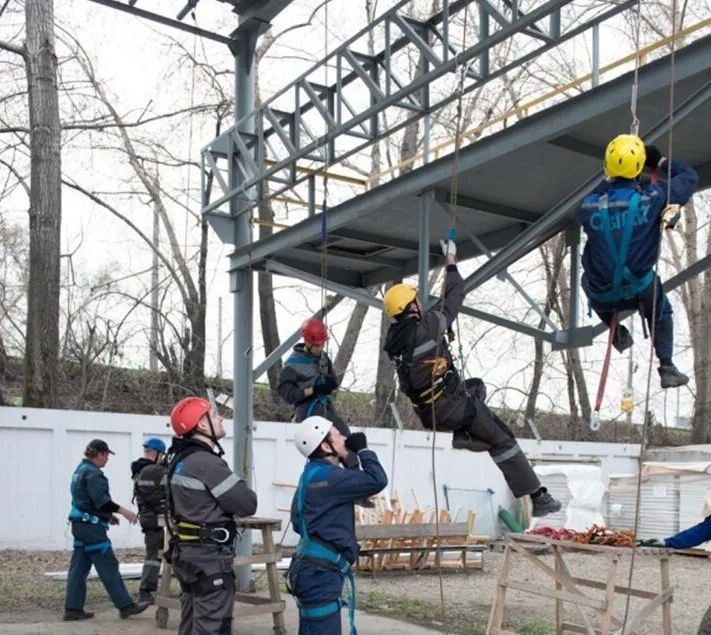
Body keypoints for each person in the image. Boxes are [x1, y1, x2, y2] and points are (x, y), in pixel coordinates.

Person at [382, 229, 561, 517]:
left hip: (428, 411)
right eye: (416, 300)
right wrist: (450, 259)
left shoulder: (395, 341)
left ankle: (464, 435)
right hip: (450, 407)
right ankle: (538, 496)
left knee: (476, 387)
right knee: (502, 437)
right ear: (411, 306)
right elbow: (455, 295)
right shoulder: (427, 327)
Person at [577, 134, 698, 388]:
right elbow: (689, 177)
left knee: (586, 281)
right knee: (661, 307)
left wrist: (613, 175)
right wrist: (660, 161)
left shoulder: (588, 207)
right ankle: (667, 366)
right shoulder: (653, 199)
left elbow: (598, 191)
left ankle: (615, 330)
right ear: (639, 168)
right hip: (640, 288)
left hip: (602, 294)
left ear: (608, 167)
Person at [287, 416, 388, 635]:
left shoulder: (311, 475)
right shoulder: (333, 478)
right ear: (325, 445)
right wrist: (363, 450)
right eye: (338, 435)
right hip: (320, 573)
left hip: (309, 567)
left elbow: (297, 520)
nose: (345, 438)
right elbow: (377, 479)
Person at [167, 396, 258, 635]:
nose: (221, 418)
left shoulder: (179, 459)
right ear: (203, 425)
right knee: (212, 627)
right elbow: (247, 504)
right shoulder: (206, 463)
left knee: (190, 622)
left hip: (187, 555)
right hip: (208, 559)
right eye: (214, 415)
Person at [64, 439, 150, 621]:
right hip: (91, 529)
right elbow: (102, 501)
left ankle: (72, 608)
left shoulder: (79, 471)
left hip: (80, 524)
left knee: (78, 568)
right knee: (108, 565)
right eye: (106, 455)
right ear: (100, 454)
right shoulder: (94, 474)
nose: (107, 460)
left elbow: (85, 500)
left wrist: (108, 516)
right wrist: (126, 512)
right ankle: (126, 606)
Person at [277, 318, 361, 475]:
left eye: (322, 344)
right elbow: (287, 394)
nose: (320, 348)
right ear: (307, 342)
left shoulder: (323, 358)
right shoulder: (292, 364)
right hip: (307, 409)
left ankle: (356, 480)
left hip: (324, 406)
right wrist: (312, 390)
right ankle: (329, 477)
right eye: (317, 345)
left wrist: (330, 384)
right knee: (329, 444)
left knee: (345, 439)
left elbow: (332, 380)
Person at [131, 437, 167, 604]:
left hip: (146, 516)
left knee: (154, 553)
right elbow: (161, 492)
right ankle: (146, 591)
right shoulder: (154, 470)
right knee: (155, 554)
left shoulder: (141, 469)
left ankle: (147, 589)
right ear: (158, 454)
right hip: (155, 518)